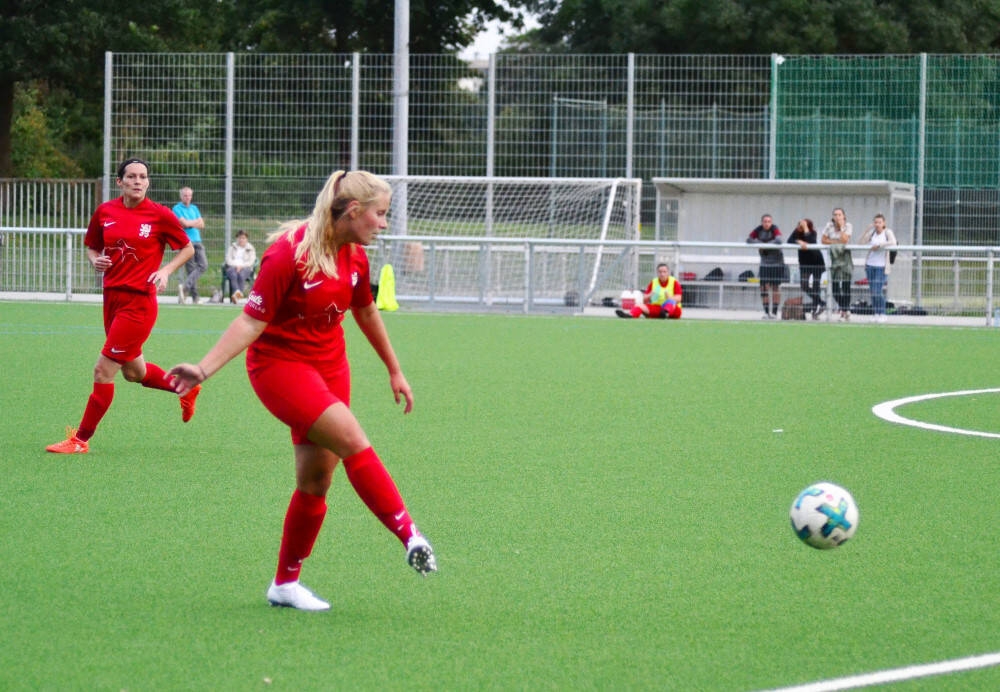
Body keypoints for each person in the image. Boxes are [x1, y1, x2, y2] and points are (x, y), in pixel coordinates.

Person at [168, 170, 436, 611]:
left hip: (331, 366)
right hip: (280, 367)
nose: (384, 223)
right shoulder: (288, 253)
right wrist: (203, 369)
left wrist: (395, 370)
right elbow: (250, 322)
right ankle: (411, 536)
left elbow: (367, 312)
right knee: (353, 439)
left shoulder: (354, 255)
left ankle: (285, 584)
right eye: (381, 214)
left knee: (316, 481)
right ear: (354, 211)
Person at [46, 158, 202, 454]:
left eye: (143, 176)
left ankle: (80, 440)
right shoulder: (105, 211)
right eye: (131, 176)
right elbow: (92, 247)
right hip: (112, 300)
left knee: (103, 370)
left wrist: (166, 271)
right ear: (120, 182)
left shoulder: (160, 215)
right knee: (134, 373)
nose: (137, 181)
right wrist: (96, 260)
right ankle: (185, 387)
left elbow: (187, 248)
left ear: (148, 182)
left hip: (139, 304)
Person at [172, 186, 208, 304]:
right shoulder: (176, 208)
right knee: (191, 269)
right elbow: (184, 224)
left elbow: (202, 224)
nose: (187, 197)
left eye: (189, 195)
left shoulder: (194, 208)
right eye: (185, 195)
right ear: (181, 196)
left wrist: (190, 223)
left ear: (191, 196)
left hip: (197, 241)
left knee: (203, 265)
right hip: (186, 242)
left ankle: (185, 288)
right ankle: (195, 298)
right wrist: (194, 223)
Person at [746, 214, 786, 319]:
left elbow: (779, 240)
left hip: (777, 263)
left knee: (775, 288)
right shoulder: (758, 230)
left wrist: (765, 245)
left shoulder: (775, 229)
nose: (767, 223)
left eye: (769, 221)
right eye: (765, 221)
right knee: (764, 288)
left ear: (771, 222)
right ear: (762, 222)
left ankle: (774, 312)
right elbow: (749, 239)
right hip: (764, 264)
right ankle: (766, 312)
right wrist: (759, 243)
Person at [860, 213, 897, 323]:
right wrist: (866, 230)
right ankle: (876, 313)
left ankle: (882, 313)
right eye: (875, 222)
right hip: (870, 265)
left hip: (881, 267)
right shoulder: (872, 233)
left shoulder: (887, 232)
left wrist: (880, 245)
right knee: (872, 291)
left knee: (877, 291)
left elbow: (893, 242)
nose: (877, 224)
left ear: (883, 223)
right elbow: (861, 242)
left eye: (879, 222)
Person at [788, 218, 826, 319]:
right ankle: (821, 302)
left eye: (803, 225)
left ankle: (815, 311)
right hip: (804, 262)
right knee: (804, 284)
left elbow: (811, 241)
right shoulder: (796, 232)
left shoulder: (812, 232)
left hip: (816, 261)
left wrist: (806, 229)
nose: (800, 227)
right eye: (799, 225)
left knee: (816, 286)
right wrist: (798, 241)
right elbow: (789, 241)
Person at [615, 262, 682, 319]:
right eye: (660, 272)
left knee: (670, 301)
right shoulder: (654, 282)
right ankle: (630, 315)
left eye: (664, 272)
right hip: (658, 308)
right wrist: (650, 295)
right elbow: (644, 300)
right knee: (639, 305)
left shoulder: (674, 282)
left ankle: (665, 313)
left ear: (668, 273)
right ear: (657, 273)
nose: (662, 274)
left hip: (673, 310)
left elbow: (679, 298)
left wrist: (669, 297)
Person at [821, 207, 854, 321]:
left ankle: (844, 312)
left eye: (839, 214)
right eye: (835, 215)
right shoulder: (829, 226)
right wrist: (835, 242)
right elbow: (823, 240)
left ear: (843, 216)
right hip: (834, 259)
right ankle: (845, 309)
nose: (837, 217)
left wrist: (841, 227)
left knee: (845, 285)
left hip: (845, 258)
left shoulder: (848, 226)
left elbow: (845, 240)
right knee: (834, 287)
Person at [224, 229, 257, 303]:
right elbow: (228, 259)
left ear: (246, 239)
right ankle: (238, 294)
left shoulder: (250, 248)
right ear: (237, 238)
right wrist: (236, 266)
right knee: (233, 274)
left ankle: (236, 296)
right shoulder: (232, 247)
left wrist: (242, 266)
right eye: (239, 238)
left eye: (243, 238)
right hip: (233, 267)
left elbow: (251, 261)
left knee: (241, 275)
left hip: (245, 268)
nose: (241, 240)